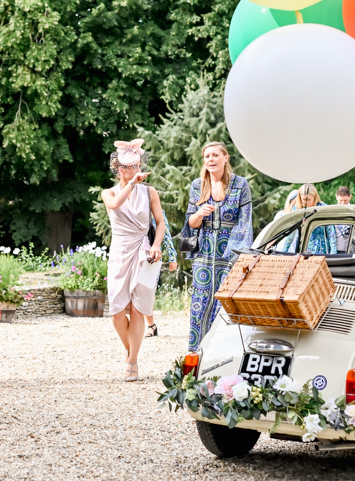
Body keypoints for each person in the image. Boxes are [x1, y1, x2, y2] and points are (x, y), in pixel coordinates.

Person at [101, 139, 173, 381]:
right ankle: (129, 348)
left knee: (137, 309)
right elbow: (114, 205)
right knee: (117, 311)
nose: (132, 170)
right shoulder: (108, 192)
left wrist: (156, 245)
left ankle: (132, 362)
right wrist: (132, 183)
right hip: (120, 252)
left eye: (135, 166)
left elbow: (160, 223)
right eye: (127, 167)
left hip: (143, 252)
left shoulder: (150, 192)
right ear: (118, 168)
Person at [180, 142, 254, 353]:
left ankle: (223, 355)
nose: (210, 159)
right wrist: (199, 214)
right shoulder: (198, 185)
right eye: (207, 156)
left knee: (225, 305)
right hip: (203, 255)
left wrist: (234, 254)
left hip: (230, 256)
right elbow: (190, 223)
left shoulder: (240, 185)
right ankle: (196, 354)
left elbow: (245, 223)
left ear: (225, 158)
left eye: (215, 155)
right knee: (200, 304)